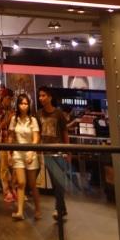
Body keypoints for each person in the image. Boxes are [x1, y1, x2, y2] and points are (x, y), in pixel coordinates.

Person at [37, 86, 70, 222]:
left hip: (59, 152)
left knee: (58, 182)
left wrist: (68, 151)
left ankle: (58, 208)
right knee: (56, 183)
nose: (41, 98)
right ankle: (62, 208)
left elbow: (65, 133)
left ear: (50, 97)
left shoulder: (58, 114)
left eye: (43, 95)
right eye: (40, 95)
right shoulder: (38, 114)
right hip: (47, 153)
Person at [9, 93, 41, 221]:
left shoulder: (32, 120)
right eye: (21, 103)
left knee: (32, 184)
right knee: (21, 182)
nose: (24, 106)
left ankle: (38, 209)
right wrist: (10, 152)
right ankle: (20, 211)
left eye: (26, 103)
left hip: (30, 152)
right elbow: (11, 136)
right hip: (18, 153)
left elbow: (36, 137)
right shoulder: (14, 119)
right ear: (18, 105)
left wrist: (32, 151)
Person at [0, 86, 15, 204]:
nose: (9, 101)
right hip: (2, 141)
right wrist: (8, 119)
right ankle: (6, 191)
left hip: (12, 141)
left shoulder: (12, 110)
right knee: (4, 166)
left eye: (11, 99)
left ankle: (13, 189)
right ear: (3, 98)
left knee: (13, 166)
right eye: (8, 98)